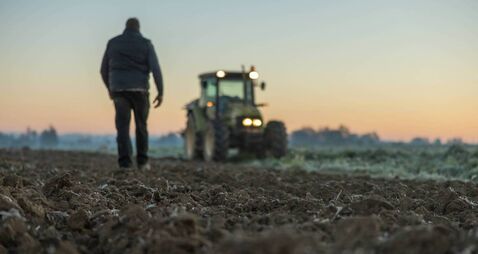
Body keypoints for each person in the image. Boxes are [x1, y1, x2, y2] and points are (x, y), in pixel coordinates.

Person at [100, 18, 163, 170]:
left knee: (122, 127)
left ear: (125, 27)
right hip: (140, 91)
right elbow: (155, 69)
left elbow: (103, 70)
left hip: (119, 91)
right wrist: (161, 92)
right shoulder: (146, 44)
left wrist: (110, 88)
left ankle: (125, 163)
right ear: (138, 28)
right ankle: (142, 162)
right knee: (141, 126)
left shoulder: (113, 43)